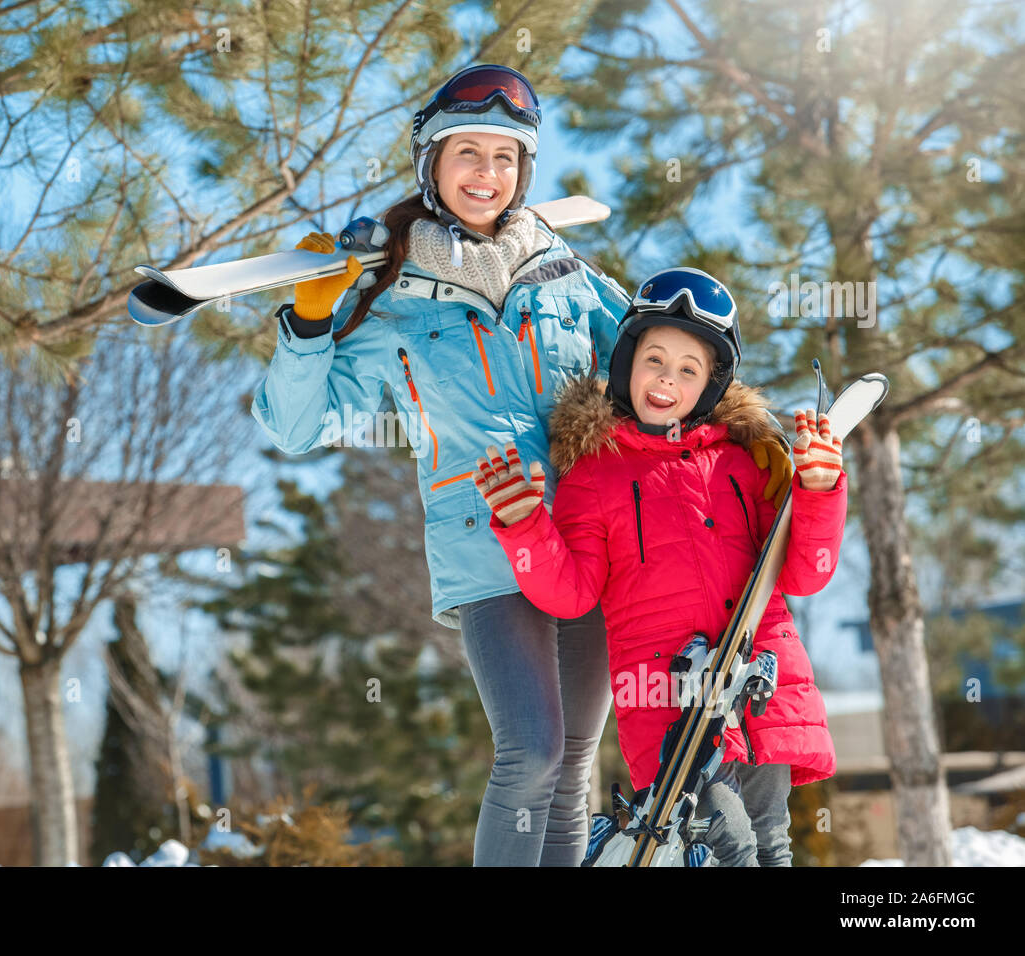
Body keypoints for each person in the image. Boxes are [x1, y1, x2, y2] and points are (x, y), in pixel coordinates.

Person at [251, 64, 790, 865]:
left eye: (505, 158)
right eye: (467, 152)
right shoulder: (397, 304)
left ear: (524, 171)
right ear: (431, 164)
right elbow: (295, 426)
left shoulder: (569, 282)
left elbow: (666, 369)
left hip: (589, 545)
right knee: (530, 752)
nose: (486, 174)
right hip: (486, 547)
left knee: (573, 765)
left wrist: (753, 438)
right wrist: (307, 325)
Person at [473, 267, 842, 866]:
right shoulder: (594, 474)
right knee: (729, 840)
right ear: (627, 362)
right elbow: (570, 593)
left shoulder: (745, 463)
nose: (667, 379)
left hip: (759, 684)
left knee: (772, 842)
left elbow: (805, 573)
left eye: (688, 369)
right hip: (674, 703)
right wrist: (524, 528)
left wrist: (821, 490)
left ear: (711, 386)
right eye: (655, 359)